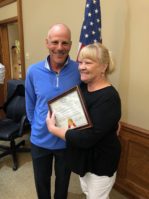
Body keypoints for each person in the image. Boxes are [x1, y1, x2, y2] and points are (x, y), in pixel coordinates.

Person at [46, 43, 121, 199]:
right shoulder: (84, 87)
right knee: (87, 192)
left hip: (100, 161)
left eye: (88, 62)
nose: (81, 67)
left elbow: (87, 138)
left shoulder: (109, 97)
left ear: (103, 67)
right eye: (80, 62)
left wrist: (54, 129)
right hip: (83, 158)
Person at [25, 23, 80, 199]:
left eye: (64, 43)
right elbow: (30, 103)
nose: (59, 48)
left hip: (66, 140)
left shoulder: (79, 70)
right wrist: (37, 125)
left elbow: (91, 97)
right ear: (47, 43)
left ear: (70, 45)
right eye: (55, 42)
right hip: (40, 140)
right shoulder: (33, 71)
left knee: (63, 184)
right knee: (41, 183)